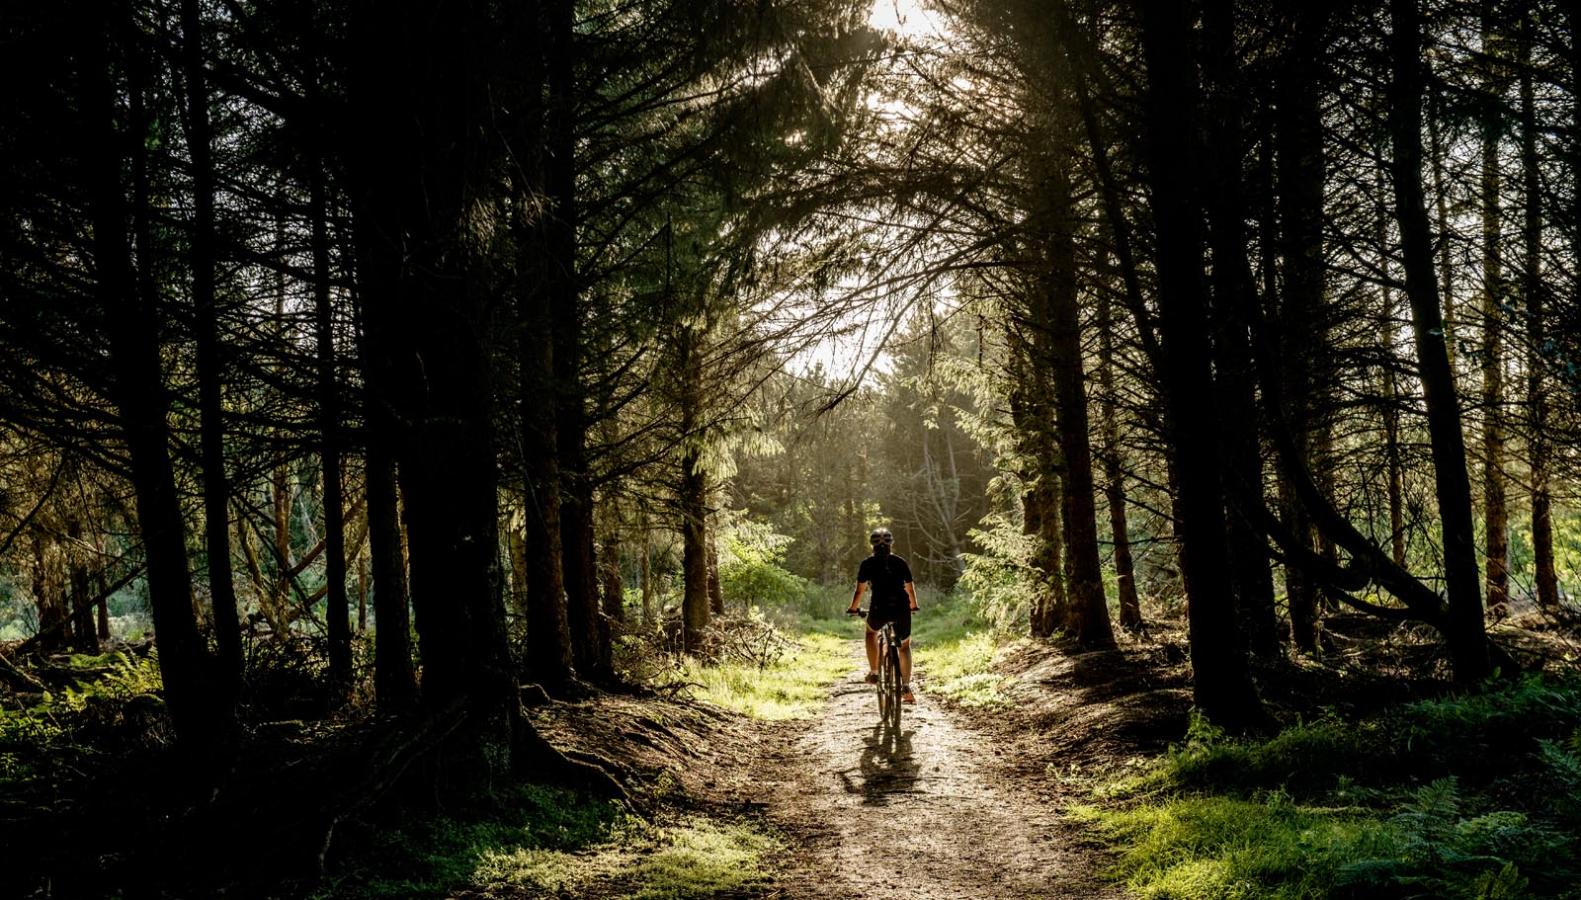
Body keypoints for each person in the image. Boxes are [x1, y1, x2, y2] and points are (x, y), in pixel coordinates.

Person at [846, 527, 920, 704]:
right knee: (904, 646)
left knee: (871, 633)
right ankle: (906, 686)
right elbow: (909, 588)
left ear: (871, 545)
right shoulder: (900, 562)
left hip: (879, 608)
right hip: (901, 608)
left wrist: (853, 609)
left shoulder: (867, 564)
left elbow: (859, 591)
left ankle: (874, 672)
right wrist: (914, 606)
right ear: (891, 544)